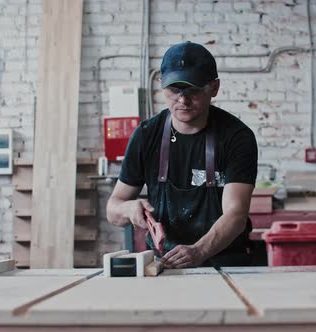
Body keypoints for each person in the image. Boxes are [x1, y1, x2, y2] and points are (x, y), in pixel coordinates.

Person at [106, 41, 258, 268]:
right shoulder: (147, 135)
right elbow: (113, 209)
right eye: (174, 90)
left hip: (227, 264)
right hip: (164, 264)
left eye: (193, 90)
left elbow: (236, 214)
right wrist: (128, 208)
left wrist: (199, 251)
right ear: (161, 85)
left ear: (214, 88)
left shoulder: (236, 137)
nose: (183, 100)